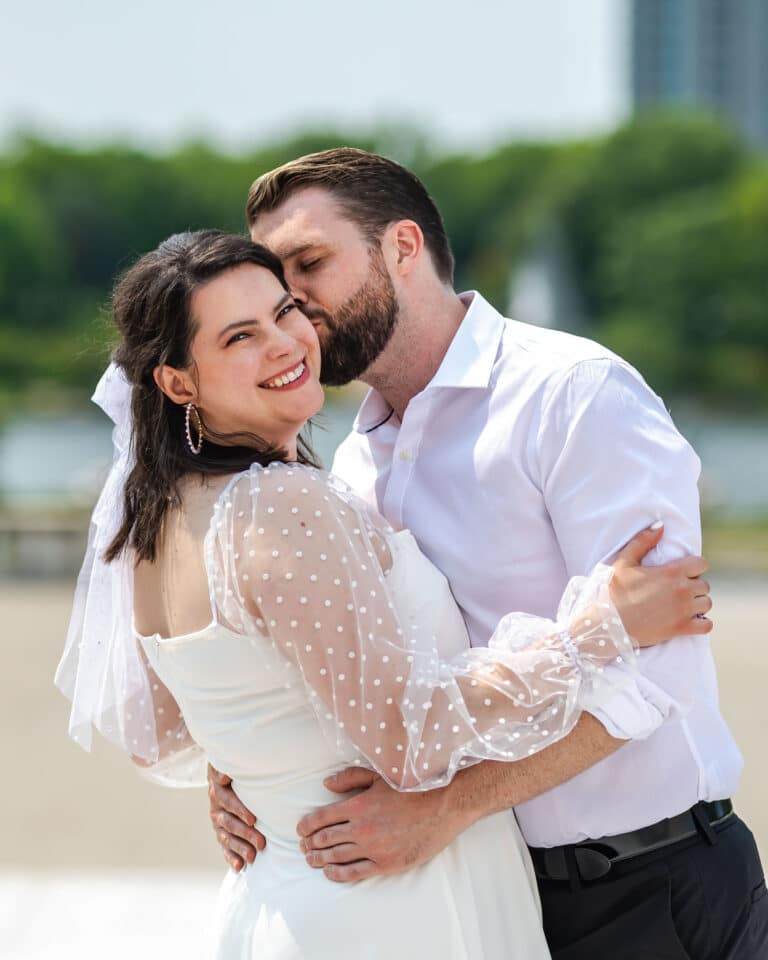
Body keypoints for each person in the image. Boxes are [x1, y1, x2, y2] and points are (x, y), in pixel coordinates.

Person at [56, 229, 711, 960]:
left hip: (285, 892)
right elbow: (412, 740)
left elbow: (163, 732)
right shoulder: (278, 506)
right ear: (178, 381)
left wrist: (255, 764)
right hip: (393, 904)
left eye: (284, 311)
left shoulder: (154, 522)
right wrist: (600, 630)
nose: (285, 343)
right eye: (241, 336)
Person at [209, 148, 768, 958]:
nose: (291, 302)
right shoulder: (351, 462)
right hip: (476, 895)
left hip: (650, 890)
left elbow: (658, 673)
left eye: (309, 263)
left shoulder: (574, 394)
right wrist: (245, 776)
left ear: (402, 248)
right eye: (274, 277)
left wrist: (445, 811)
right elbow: (363, 676)